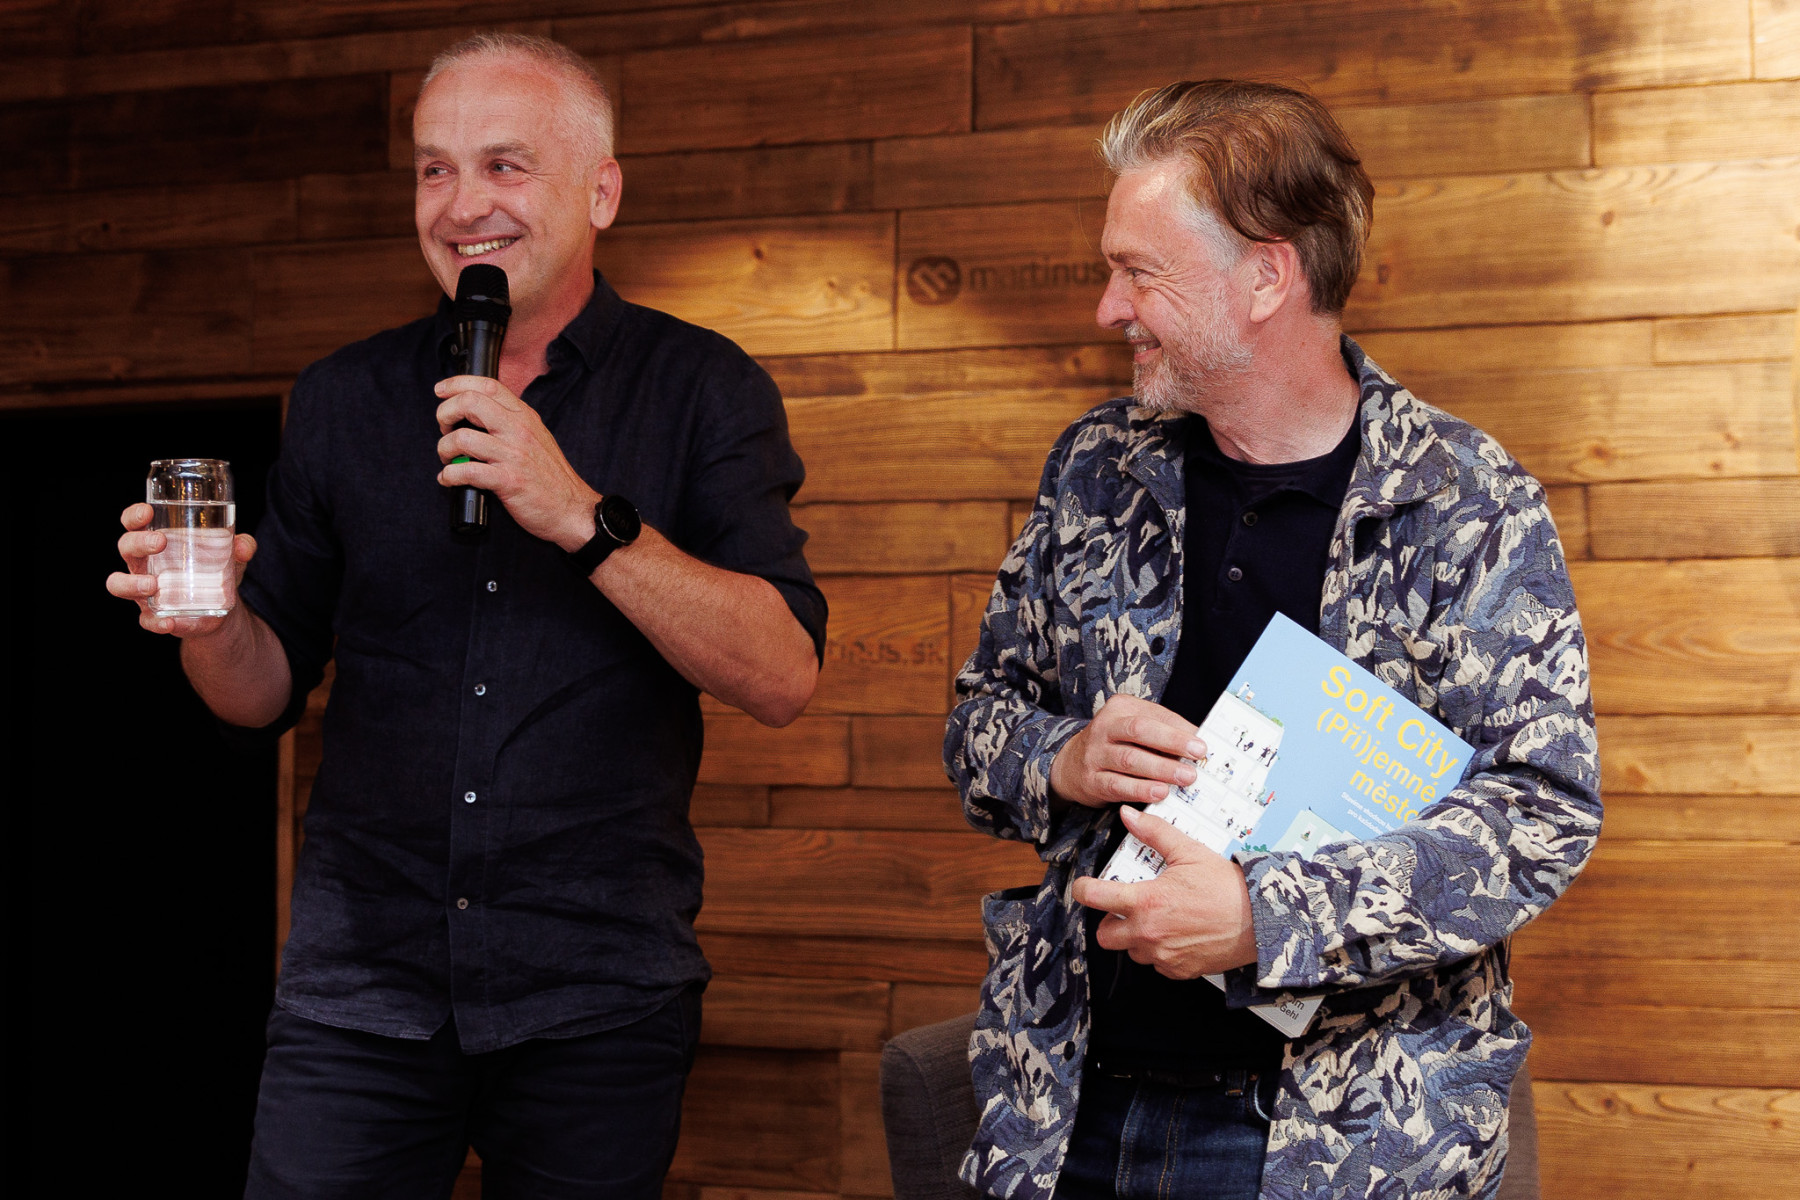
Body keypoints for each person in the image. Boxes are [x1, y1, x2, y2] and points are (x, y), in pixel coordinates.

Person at [107, 33, 826, 1199]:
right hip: (361, 986)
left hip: (596, 989)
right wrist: (212, 624)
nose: (460, 206)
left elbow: (783, 674)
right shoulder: (341, 398)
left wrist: (580, 515)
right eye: (433, 170)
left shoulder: (702, 387)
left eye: (504, 165)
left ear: (601, 191)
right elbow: (258, 694)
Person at [943, 81, 1599, 1200]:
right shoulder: (1096, 471)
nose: (1108, 307)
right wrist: (1063, 757)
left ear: (1266, 276)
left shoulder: (1465, 501)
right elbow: (978, 727)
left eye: (1140, 272)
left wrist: (1264, 919)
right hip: (1070, 1111)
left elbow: (1543, 814)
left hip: (1345, 1145)